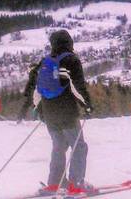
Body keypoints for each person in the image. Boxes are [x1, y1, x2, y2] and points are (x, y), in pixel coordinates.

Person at [18, 30, 94, 196]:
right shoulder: (70, 60)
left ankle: (54, 183)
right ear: (69, 42)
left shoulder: (44, 62)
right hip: (67, 113)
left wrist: (40, 111)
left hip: (49, 114)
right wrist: (88, 106)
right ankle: (76, 183)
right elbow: (77, 87)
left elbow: (34, 91)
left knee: (58, 146)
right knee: (78, 147)